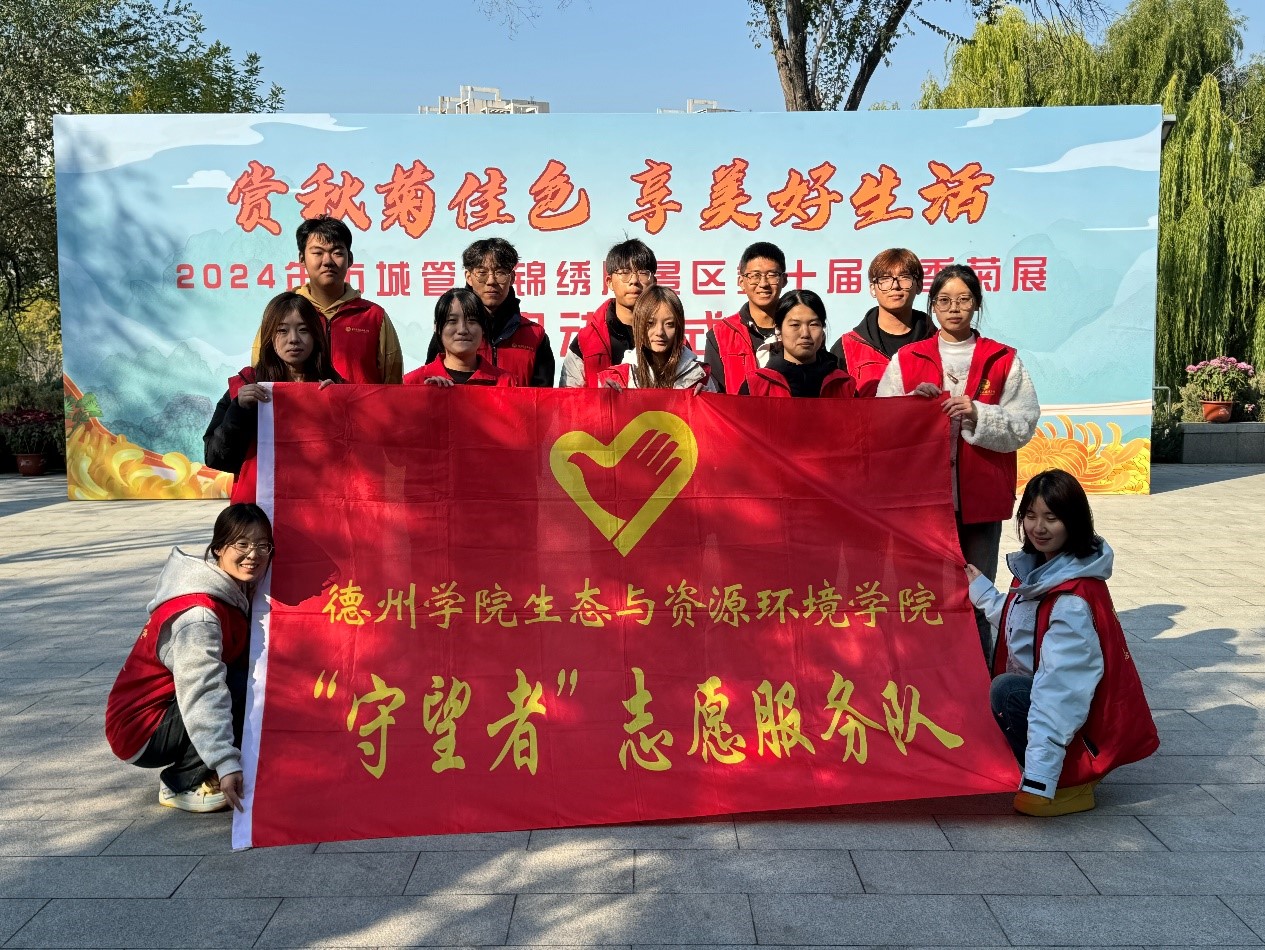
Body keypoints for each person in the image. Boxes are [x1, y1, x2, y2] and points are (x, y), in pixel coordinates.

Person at [966, 469, 1158, 816]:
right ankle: (1055, 766)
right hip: (1069, 712)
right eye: (1031, 515)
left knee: (1006, 691)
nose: (1038, 527)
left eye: (1051, 518)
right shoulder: (1045, 570)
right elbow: (1023, 625)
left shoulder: (1070, 599)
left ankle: (1071, 781)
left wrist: (1040, 781)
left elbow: (1060, 693)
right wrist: (981, 592)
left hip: (1082, 729)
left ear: (1073, 521)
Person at [877, 264, 1040, 660]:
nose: (954, 308)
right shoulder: (907, 359)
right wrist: (911, 406)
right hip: (922, 502)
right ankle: (923, 671)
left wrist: (979, 414)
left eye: (964, 300)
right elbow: (881, 424)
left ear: (977, 304)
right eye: (945, 300)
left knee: (978, 592)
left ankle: (980, 675)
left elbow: (1023, 423)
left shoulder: (1003, 360)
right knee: (921, 592)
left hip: (980, 498)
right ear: (932, 306)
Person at [105, 503, 273, 813]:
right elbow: (202, 691)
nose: (253, 554)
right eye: (242, 544)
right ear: (219, 547)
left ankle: (202, 764)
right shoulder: (199, 616)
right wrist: (225, 762)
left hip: (167, 710)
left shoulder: (231, 591)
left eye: (263, 545)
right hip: (140, 729)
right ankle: (181, 781)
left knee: (246, 678)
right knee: (237, 685)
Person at [205, 292, 339, 503]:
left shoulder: (336, 386)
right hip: (261, 509)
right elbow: (216, 458)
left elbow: (359, 459)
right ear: (269, 336)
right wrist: (239, 409)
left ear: (316, 336)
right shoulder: (246, 386)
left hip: (319, 506)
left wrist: (341, 406)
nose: (293, 339)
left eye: (303, 330)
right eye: (282, 330)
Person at [252, 215, 402, 383]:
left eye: (337, 253)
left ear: (350, 259)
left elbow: (393, 384)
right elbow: (260, 373)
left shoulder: (374, 316)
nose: (327, 261)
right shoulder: (282, 313)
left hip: (358, 402)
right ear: (302, 259)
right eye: (317, 253)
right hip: (297, 401)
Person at [424, 238, 554, 387]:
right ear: (469, 277)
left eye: (500, 272)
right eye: (482, 272)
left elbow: (543, 397)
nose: (491, 281)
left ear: (512, 278)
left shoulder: (535, 336)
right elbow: (429, 384)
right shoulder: (451, 333)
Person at [828, 248, 932, 396]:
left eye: (904, 277)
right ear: (872, 288)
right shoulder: (846, 348)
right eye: (885, 279)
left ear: (920, 285)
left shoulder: (938, 342)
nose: (895, 286)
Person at [560, 239, 657, 387]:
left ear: (654, 281)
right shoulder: (585, 341)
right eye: (624, 272)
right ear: (609, 282)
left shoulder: (672, 336)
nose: (634, 280)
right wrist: (602, 397)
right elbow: (568, 396)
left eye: (643, 273)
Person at [738, 289, 857, 397]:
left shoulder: (844, 386)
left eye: (813, 324)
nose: (805, 333)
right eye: (795, 325)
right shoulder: (756, 386)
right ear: (778, 330)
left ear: (823, 329)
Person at [704, 242, 786, 393]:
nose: (763, 283)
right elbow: (714, 396)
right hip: (737, 410)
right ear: (741, 282)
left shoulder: (800, 330)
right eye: (755, 276)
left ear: (784, 280)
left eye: (772, 275)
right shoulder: (720, 335)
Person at [597, 286, 715, 391]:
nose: (660, 332)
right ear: (638, 325)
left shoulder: (700, 377)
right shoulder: (617, 379)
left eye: (669, 324)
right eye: (650, 323)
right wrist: (606, 401)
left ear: (679, 327)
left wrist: (707, 401)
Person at [404, 288, 515, 387]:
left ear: (483, 328)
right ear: (437, 328)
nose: (462, 330)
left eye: (472, 321)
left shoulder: (506, 383)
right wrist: (424, 396)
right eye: (452, 321)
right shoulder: (413, 382)